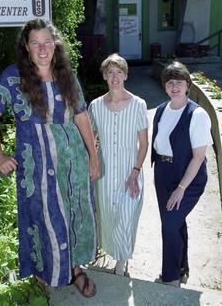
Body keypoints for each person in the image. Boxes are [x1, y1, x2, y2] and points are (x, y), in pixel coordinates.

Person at [0, 19, 99, 298]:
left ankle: (75, 270)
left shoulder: (67, 76)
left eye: (47, 42)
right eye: (35, 43)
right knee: (42, 219)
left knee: (73, 216)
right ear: (26, 46)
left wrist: (93, 156)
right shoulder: (13, 78)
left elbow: (82, 115)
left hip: (73, 165)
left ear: (55, 44)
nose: (42, 48)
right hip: (36, 169)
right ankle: (43, 273)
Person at [151, 61, 213, 287]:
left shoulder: (197, 115)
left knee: (169, 224)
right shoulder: (160, 110)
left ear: (188, 84)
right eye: (169, 82)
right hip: (163, 173)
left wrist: (181, 189)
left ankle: (171, 278)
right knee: (175, 223)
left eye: (179, 82)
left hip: (189, 178)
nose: (174, 87)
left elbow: (198, 157)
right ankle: (182, 268)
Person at [88, 53, 148, 275]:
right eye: (110, 72)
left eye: (119, 72)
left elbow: (143, 144)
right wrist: (91, 163)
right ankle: (112, 255)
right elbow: (91, 138)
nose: (115, 77)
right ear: (104, 76)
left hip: (129, 171)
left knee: (126, 215)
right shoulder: (95, 105)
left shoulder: (139, 104)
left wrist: (135, 172)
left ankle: (122, 262)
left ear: (125, 75)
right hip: (103, 172)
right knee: (108, 215)